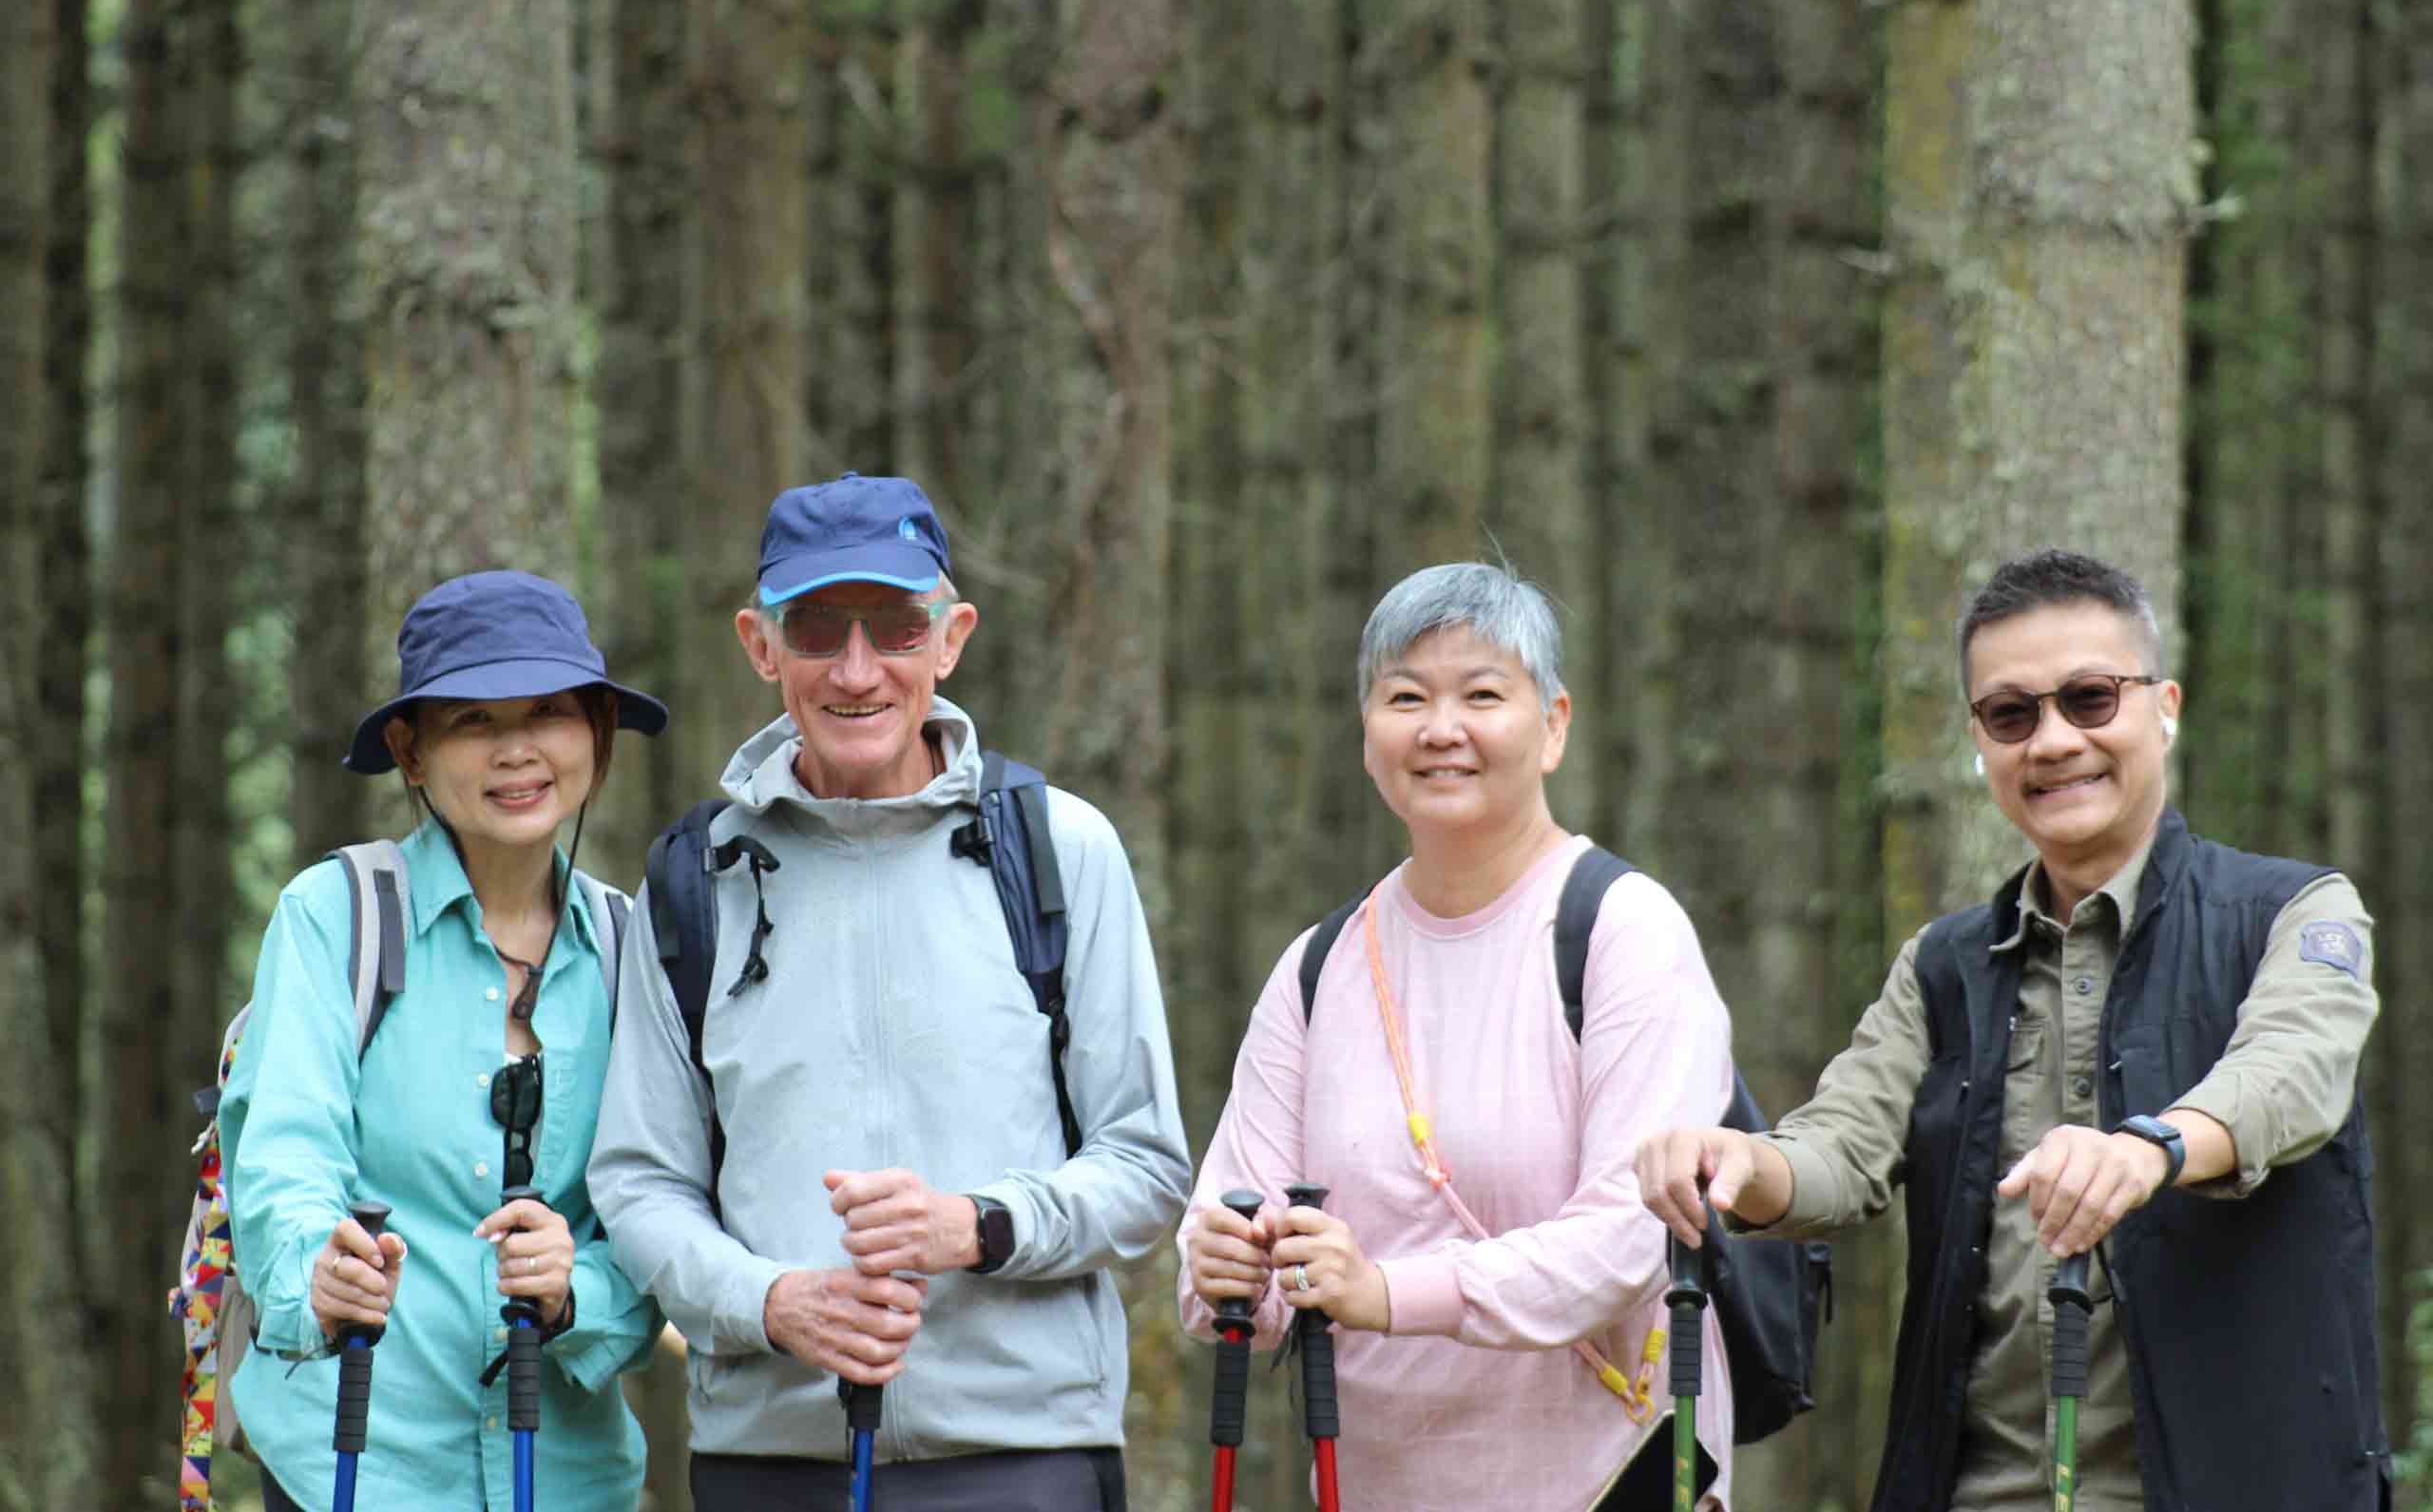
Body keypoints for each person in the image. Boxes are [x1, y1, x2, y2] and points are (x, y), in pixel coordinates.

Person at [1635, 547, 2386, 1512]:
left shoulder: (2292, 911)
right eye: (2011, 714)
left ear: (2164, 707)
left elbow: (2292, 1072)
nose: (2054, 740)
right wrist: (1739, 1161)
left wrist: (2150, 1148)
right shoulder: (1942, 965)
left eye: (2090, 698)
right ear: (1979, 742)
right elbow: (1839, 1149)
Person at [587, 472, 1191, 1512]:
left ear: (951, 638)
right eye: (819, 628)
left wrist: (980, 1225)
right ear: (761, 645)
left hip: (1023, 1456)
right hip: (770, 1464)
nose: (857, 669)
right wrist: (773, 1302)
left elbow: (1145, 1163)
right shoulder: (693, 880)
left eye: (897, 627)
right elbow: (641, 1181)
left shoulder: (1057, 848)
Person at [1178, 561, 1738, 1511]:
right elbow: (1226, 1266)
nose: (1441, 729)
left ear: (1552, 724)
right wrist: (1229, 1264)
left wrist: (1385, 1292)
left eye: (1481, 694)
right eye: (1406, 697)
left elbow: (1628, 1239)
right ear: (1367, 736)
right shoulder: (1317, 967)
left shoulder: (1623, 931)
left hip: (1611, 1482)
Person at [220, 570, 670, 1511]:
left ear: (596, 732)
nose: (517, 748)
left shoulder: (635, 948)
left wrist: (577, 1288)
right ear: (411, 752)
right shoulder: (336, 915)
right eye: (472, 720)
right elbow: (284, 1152)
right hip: (352, 1464)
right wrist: (319, 1274)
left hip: (568, 1478)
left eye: (549, 711)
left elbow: (666, 1212)